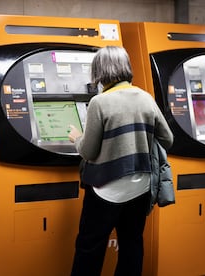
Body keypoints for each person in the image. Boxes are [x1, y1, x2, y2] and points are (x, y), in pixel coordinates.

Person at [68, 46, 173, 276]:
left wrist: (76, 138)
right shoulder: (145, 98)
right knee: (131, 244)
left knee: (90, 246)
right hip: (141, 187)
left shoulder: (99, 102)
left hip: (107, 189)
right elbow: (168, 138)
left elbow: (88, 151)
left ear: (99, 71)